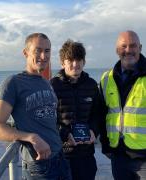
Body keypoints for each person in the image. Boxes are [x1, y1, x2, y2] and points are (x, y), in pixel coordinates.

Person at [0, 33, 72, 180]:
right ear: (25, 53)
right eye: (38, 50)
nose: (43, 55)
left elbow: (49, 121)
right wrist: (31, 137)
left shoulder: (47, 83)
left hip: (60, 158)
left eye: (47, 51)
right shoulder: (13, 83)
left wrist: (64, 135)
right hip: (39, 167)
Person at [50, 39, 101, 180]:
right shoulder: (52, 86)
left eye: (79, 59)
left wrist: (93, 131)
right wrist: (65, 134)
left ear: (84, 62)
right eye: (70, 60)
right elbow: (48, 119)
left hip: (86, 156)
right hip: (61, 155)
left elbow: (97, 114)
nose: (75, 64)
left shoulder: (91, 85)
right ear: (62, 63)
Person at [100, 30, 146, 180]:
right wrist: (105, 145)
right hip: (118, 156)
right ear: (117, 50)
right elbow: (102, 114)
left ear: (140, 47)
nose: (128, 50)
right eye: (123, 46)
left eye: (133, 46)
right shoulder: (106, 78)